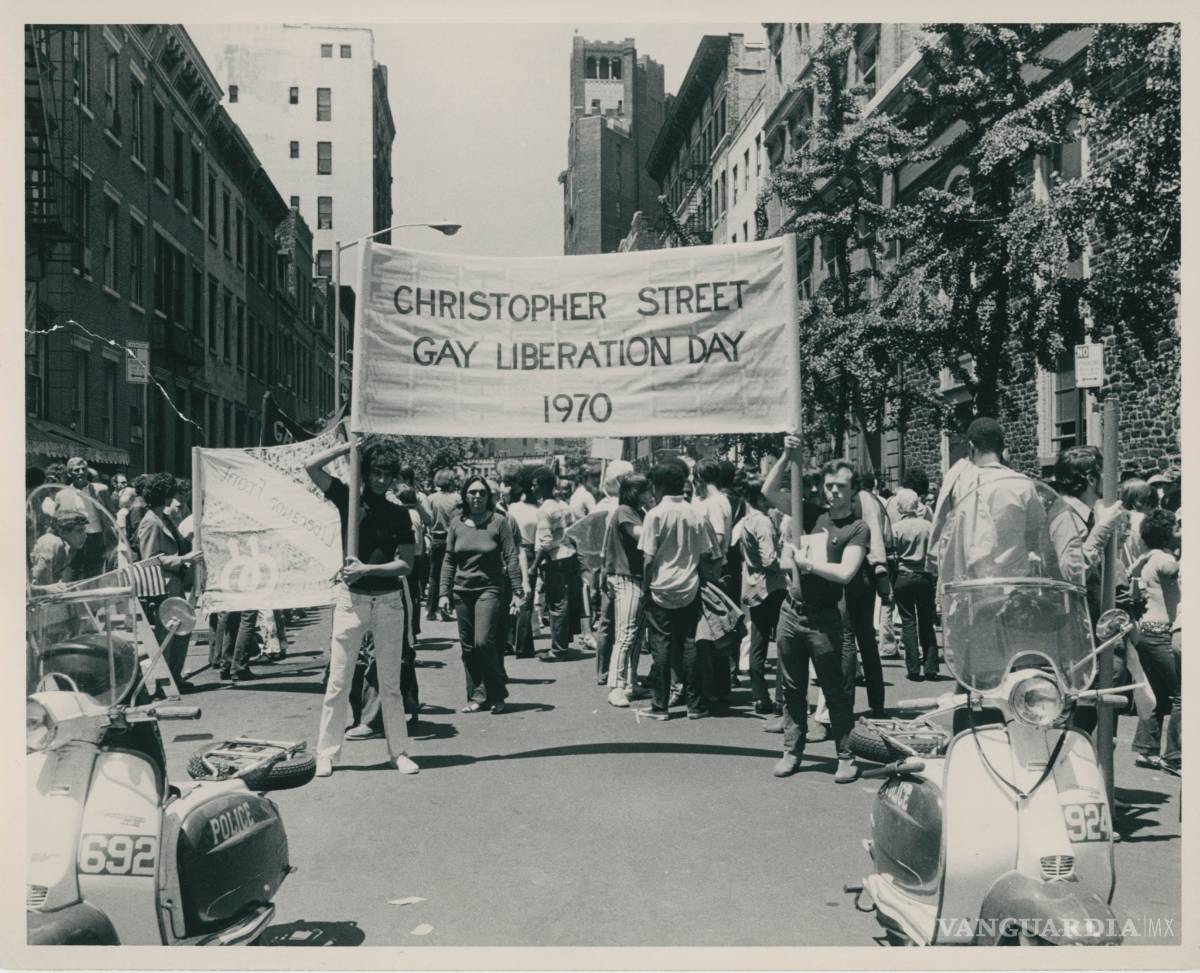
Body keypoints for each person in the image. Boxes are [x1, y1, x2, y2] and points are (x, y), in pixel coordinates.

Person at [306, 437, 419, 777]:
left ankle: (399, 752)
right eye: (375, 473)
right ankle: (326, 753)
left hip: (388, 602)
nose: (381, 480)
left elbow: (405, 565)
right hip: (351, 601)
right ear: (365, 472)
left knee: (390, 683)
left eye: (387, 474)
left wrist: (367, 569)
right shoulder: (348, 499)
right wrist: (348, 448)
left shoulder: (399, 513)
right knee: (338, 681)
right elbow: (311, 466)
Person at [770, 439, 869, 783]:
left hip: (825, 617)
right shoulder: (810, 514)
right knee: (792, 688)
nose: (834, 492)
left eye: (841, 486)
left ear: (853, 490)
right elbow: (770, 492)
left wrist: (807, 565)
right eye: (829, 486)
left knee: (834, 689)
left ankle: (846, 755)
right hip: (791, 612)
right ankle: (792, 750)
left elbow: (845, 573)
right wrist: (787, 456)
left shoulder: (856, 528)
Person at [635, 461, 713, 720]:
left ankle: (660, 705)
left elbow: (648, 559)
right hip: (689, 586)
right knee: (690, 643)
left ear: (657, 486)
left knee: (661, 645)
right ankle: (695, 704)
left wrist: (645, 589)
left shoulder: (655, 515)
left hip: (660, 587)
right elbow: (704, 554)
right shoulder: (695, 513)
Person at [438, 476, 523, 714]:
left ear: (489, 497)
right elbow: (449, 560)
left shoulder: (499, 522)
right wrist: (443, 593)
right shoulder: (456, 524)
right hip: (462, 591)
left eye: (482, 493)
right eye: (472, 492)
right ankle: (477, 695)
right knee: (468, 647)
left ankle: (497, 693)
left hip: (490, 588)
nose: (477, 497)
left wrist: (518, 590)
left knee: (483, 641)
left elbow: (511, 556)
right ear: (465, 496)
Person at [137, 473, 202, 692]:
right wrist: (182, 559)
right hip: (163, 584)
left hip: (174, 582)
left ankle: (174, 676)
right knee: (168, 633)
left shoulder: (162, 517)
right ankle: (165, 682)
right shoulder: (150, 521)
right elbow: (149, 558)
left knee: (181, 629)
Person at [1129, 509, 1180, 769]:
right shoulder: (1164, 558)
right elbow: (1171, 569)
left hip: (1146, 632)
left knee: (1157, 693)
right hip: (1162, 633)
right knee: (1183, 693)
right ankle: (1175, 755)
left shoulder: (1148, 557)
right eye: (1177, 528)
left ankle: (1147, 749)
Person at [737, 475, 788, 714]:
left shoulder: (747, 520)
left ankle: (760, 696)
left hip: (754, 585)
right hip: (772, 587)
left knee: (758, 642)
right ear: (759, 498)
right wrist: (788, 564)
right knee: (784, 643)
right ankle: (781, 697)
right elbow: (769, 559)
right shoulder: (764, 522)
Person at [603, 473, 653, 707]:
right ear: (636, 492)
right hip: (626, 576)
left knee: (635, 634)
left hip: (636, 577)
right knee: (626, 634)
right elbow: (640, 535)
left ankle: (630, 683)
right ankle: (616, 685)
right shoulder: (624, 511)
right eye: (647, 490)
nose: (651, 494)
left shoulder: (637, 512)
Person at [530, 466, 582, 661]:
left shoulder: (544, 510)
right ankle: (562, 642)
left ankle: (558, 650)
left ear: (544, 487)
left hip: (555, 558)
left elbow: (545, 542)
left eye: (535, 485)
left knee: (557, 603)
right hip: (569, 555)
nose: (532, 488)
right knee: (565, 601)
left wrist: (534, 566)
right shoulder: (564, 505)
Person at [891, 489, 939, 681]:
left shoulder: (895, 528)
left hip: (903, 575)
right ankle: (931, 666)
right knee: (927, 621)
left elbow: (891, 555)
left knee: (908, 621)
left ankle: (913, 668)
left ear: (900, 507)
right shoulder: (928, 526)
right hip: (924, 575)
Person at [592, 460, 633, 683]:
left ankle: (607, 669)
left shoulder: (604, 506)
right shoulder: (615, 508)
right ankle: (611, 670)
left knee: (610, 620)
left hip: (610, 566)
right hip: (614, 567)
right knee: (613, 620)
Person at [502, 467, 540, 658]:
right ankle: (524, 644)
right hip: (530, 551)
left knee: (511, 596)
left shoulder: (511, 510)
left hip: (511, 552)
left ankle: (508, 640)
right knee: (526, 599)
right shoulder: (537, 510)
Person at [425, 469, 461, 622]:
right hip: (451, 538)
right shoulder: (457, 498)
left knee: (434, 575)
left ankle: (430, 610)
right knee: (449, 575)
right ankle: (446, 609)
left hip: (435, 538)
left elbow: (427, 519)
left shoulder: (431, 498)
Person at [28, 509, 89, 593]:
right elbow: (41, 584)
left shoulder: (68, 547)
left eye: (84, 531)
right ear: (62, 532)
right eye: (79, 531)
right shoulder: (52, 543)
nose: (85, 536)